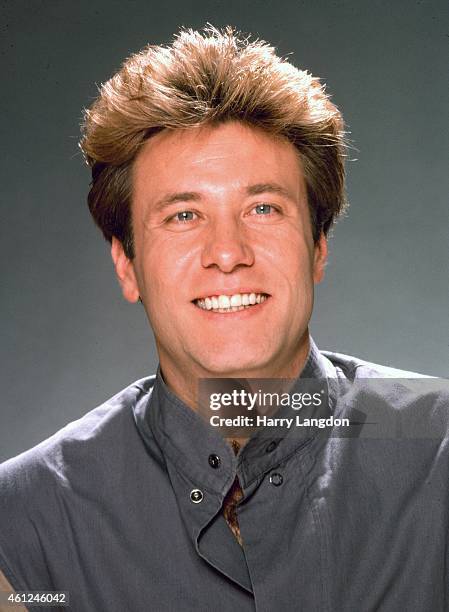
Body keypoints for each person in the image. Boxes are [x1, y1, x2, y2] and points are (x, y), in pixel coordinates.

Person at [0, 26, 448, 612]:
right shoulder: (25, 529)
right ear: (127, 264)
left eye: (263, 208)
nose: (228, 252)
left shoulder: (438, 451)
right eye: (184, 215)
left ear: (318, 246)